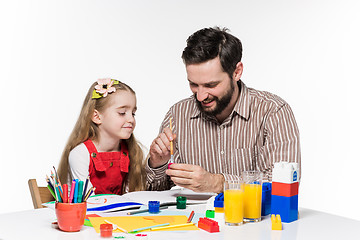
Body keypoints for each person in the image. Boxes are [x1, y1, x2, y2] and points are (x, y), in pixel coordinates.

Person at [146, 27, 301, 193]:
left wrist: (218, 183)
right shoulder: (177, 115)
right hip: (195, 219)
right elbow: (158, 196)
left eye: (211, 85)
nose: (200, 96)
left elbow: (283, 187)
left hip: (255, 219)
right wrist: (158, 163)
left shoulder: (273, 111)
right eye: (193, 84)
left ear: (236, 72)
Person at [58, 78, 145, 194]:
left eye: (133, 113)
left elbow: (128, 197)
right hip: (87, 211)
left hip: (116, 212)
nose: (131, 119)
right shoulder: (80, 154)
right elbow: (89, 202)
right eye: (122, 113)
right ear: (97, 117)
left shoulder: (131, 152)